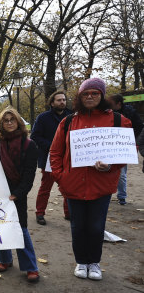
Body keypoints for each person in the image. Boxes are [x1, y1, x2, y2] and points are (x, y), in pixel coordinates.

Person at [49, 78, 131, 281]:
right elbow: (55, 152)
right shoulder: (68, 121)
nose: (90, 97)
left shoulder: (119, 120)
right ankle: (81, 261)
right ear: (79, 97)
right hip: (74, 185)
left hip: (100, 186)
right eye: (85, 94)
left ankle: (94, 262)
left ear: (102, 96)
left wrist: (111, 166)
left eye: (94, 93)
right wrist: (61, 177)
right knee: (78, 227)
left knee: (96, 226)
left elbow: (127, 151)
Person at [0, 107, 40, 283]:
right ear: (1, 124)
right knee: (0, 225)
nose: (9, 123)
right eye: (5, 120)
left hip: (17, 192)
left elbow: (29, 175)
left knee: (20, 229)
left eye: (12, 119)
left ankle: (30, 267)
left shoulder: (29, 145)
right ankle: (4, 259)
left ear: (18, 122)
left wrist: (17, 194)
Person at [30, 90, 72, 225]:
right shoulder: (43, 118)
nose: (62, 102)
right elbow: (35, 137)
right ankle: (40, 213)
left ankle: (69, 213)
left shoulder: (72, 116)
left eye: (64, 100)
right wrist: (54, 146)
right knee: (45, 187)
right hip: (49, 158)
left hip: (68, 157)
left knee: (68, 186)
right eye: (59, 100)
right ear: (52, 102)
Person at [108, 94, 143, 205]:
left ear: (118, 104)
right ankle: (106, 194)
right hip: (109, 145)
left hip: (123, 146)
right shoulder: (107, 112)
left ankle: (122, 196)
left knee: (121, 173)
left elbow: (138, 128)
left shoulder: (130, 113)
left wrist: (129, 140)